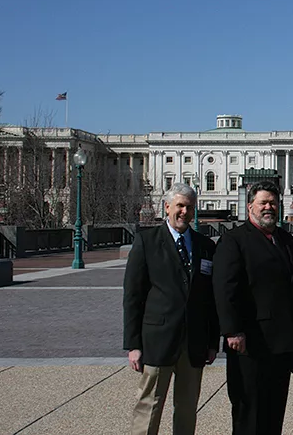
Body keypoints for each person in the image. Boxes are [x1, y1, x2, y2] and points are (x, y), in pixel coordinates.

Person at [123, 182, 219, 435]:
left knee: (187, 407)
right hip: (158, 339)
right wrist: (133, 344)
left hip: (194, 341)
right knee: (149, 404)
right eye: (179, 206)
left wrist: (212, 342)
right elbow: (133, 296)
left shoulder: (205, 246)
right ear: (167, 207)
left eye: (189, 207)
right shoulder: (148, 241)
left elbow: (211, 299)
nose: (184, 212)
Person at [213, 180, 293, 435]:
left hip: (282, 344)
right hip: (249, 343)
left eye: (273, 203)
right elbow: (225, 289)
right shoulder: (234, 240)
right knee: (249, 415)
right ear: (250, 205)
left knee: (273, 413)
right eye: (263, 202)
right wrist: (232, 330)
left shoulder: (285, 239)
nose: (269, 207)